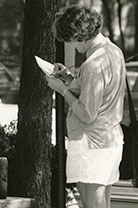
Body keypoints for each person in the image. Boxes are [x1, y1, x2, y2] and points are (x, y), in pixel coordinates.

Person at [47, 5, 126, 208]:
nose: (72, 46)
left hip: (90, 143)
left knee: (92, 204)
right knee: (102, 203)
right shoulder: (114, 52)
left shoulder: (93, 64)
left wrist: (62, 90)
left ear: (78, 35)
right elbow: (99, 94)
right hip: (109, 140)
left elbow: (87, 113)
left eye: (70, 40)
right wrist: (69, 77)